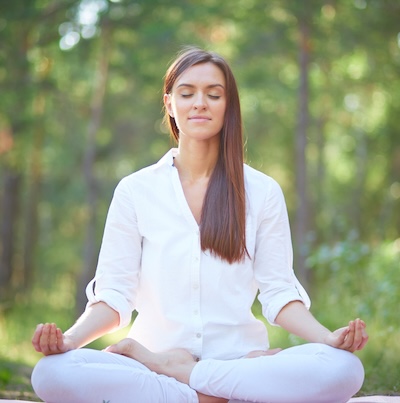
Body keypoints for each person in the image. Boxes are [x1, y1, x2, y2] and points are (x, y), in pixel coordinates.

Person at [31, 47, 368, 403]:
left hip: (237, 361)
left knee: (343, 369)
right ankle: (219, 395)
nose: (200, 103)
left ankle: (185, 377)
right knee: (52, 374)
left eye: (214, 94)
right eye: (187, 93)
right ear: (170, 104)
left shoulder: (262, 191)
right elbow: (114, 295)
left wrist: (327, 338)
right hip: (150, 361)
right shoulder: (136, 190)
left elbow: (279, 293)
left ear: (229, 105)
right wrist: (68, 341)